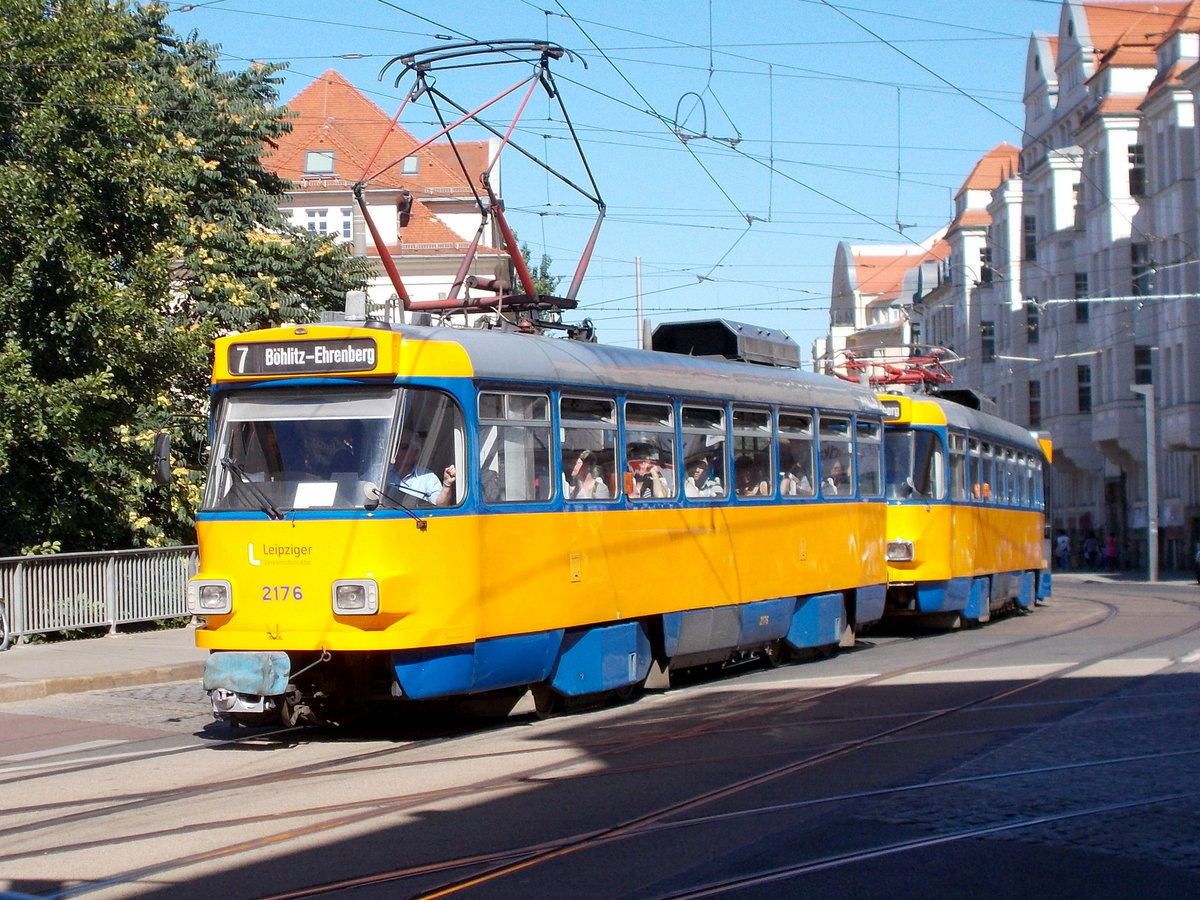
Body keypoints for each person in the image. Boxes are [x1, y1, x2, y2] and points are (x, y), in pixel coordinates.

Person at [387, 432, 455, 506]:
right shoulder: (382, 474)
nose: (398, 451)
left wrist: (447, 484)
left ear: (415, 452)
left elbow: (440, 506)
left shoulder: (428, 477)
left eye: (404, 447)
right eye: (396, 447)